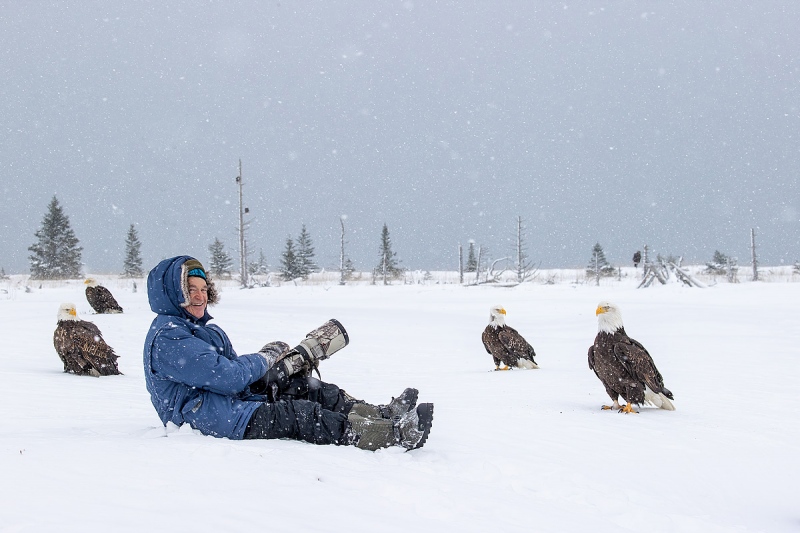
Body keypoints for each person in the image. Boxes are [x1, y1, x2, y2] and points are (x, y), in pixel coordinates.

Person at [143, 255, 433, 451]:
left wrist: (278, 370)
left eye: (204, 288)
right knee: (299, 415)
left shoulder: (204, 329)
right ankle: (390, 435)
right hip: (207, 417)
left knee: (307, 388)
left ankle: (382, 414)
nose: (200, 296)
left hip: (229, 401)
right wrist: (266, 357)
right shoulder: (169, 337)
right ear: (171, 292)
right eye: (190, 288)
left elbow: (231, 373)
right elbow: (228, 376)